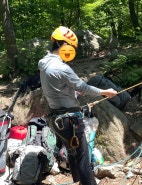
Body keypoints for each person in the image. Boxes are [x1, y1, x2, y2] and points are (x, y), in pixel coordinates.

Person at [38, 26, 117, 185]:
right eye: (70, 47)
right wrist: (105, 92)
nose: (71, 51)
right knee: (82, 156)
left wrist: (73, 93)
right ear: (62, 44)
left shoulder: (45, 65)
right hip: (70, 119)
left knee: (73, 153)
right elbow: (84, 87)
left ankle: (79, 181)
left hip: (57, 120)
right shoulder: (62, 67)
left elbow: (58, 88)